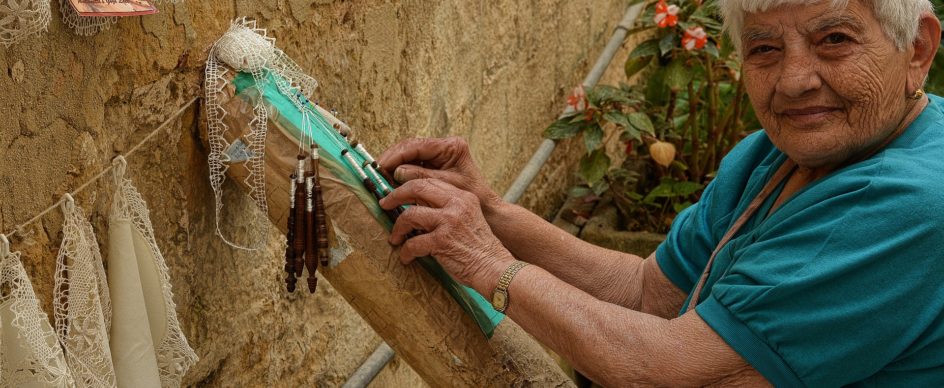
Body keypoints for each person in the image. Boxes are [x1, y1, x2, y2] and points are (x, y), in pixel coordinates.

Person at [377, 0, 944, 385]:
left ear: (917, 48)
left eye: (835, 40)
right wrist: (493, 212)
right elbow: (650, 291)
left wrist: (486, 262)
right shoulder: (776, 156)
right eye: (765, 50)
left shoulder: (905, 202)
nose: (795, 80)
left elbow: (662, 371)